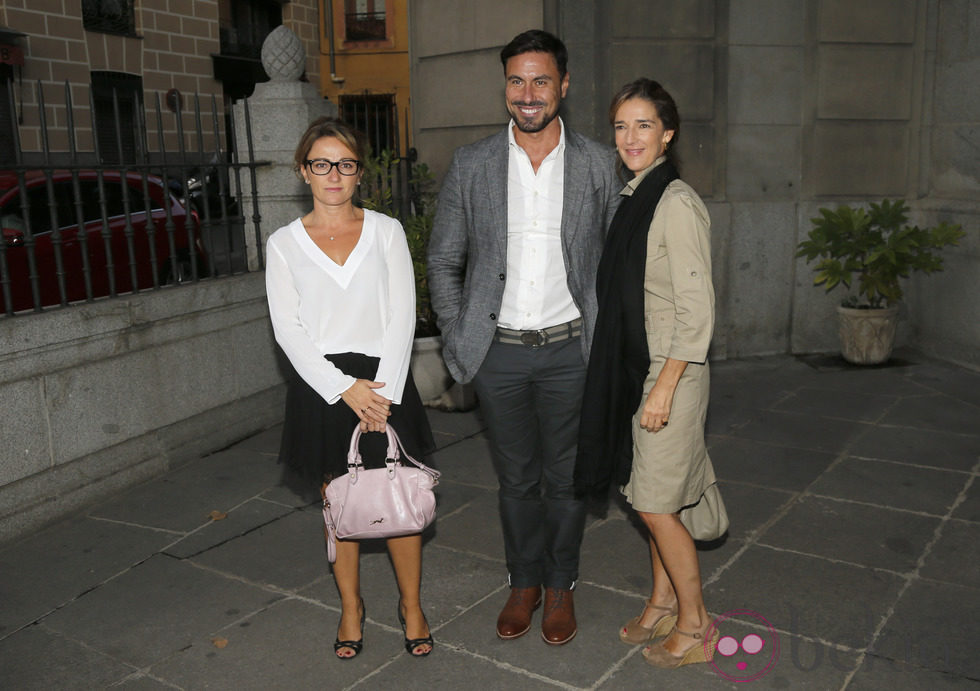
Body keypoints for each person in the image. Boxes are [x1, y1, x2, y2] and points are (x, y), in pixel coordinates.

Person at [427, 30, 620, 645]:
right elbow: (443, 259)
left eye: (541, 81)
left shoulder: (597, 163)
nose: (528, 94)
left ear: (563, 85)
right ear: (504, 87)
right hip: (499, 353)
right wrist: (461, 335)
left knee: (565, 480)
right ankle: (524, 582)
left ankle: (561, 585)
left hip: (571, 351)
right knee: (515, 481)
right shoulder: (473, 163)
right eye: (517, 81)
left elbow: (617, 264)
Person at [265, 117, 436, 660]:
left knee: (399, 493)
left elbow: (403, 315)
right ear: (303, 171)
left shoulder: (386, 231)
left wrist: (379, 395)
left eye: (344, 163)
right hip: (323, 388)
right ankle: (351, 607)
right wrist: (345, 391)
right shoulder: (284, 245)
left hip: (386, 378)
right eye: (321, 163)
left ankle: (411, 607)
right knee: (339, 503)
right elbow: (288, 330)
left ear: (358, 172)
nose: (332, 174)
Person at [576, 78, 723, 668]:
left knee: (659, 506)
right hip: (642, 371)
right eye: (621, 126)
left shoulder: (676, 203)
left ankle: (697, 625)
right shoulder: (638, 196)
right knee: (650, 497)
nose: (631, 137)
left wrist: (663, 388)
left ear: (667, 133)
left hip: (671, 376)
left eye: (643, 126)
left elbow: (698, 311)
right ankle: (663, 601)